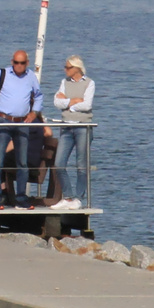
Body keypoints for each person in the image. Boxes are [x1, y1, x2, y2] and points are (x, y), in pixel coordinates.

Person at [0, 49, 42, 209]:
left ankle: (21, 199)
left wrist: (34, 112)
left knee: (22, 162)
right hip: (3, 119)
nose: (18, 66)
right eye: (16, 62)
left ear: (27, 63)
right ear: (12, 62)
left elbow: (38, 95)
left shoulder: (31, 76)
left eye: (22, 63)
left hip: (23, 122)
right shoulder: (1, 74)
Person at [50, 55, 94, 210]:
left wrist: (69, 105)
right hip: (66, 127)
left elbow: (87, 105)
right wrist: (72, 101)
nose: (65, 70)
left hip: (83, 127)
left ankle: (79, 197)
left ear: (77, 69)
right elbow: (56, 101)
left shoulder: (89, 83)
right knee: (59, 164)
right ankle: (67, 196)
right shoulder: (64, 82)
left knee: (81, 165)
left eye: (68, 67)